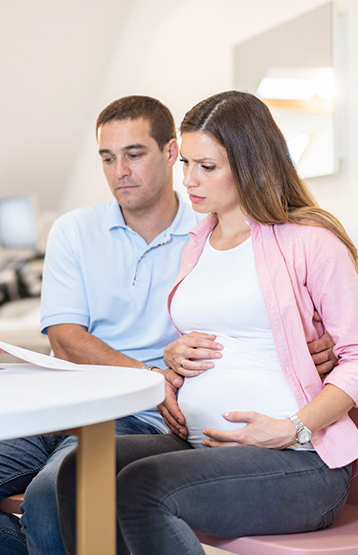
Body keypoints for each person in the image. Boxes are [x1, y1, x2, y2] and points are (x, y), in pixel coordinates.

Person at [0, 95, 336, 554]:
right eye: (107, 158)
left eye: (134, 154)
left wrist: (304, 344)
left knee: (53, 501)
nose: (120, 171)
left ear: (169, 153)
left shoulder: (215, 227)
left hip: (146, 414)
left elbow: (276, 318)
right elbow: (65, 338)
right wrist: (153, 369)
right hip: (67, 397)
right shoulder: (84, 231)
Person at [56, 90, 358, 555]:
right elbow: (225, 336)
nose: (191, 180)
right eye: (187, 165)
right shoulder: (198, 242)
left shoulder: (309, 241)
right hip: (203, 446)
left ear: (251, 162)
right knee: (81, 471)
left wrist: (292, 427)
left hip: (298, 460)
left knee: (142, 488)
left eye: (208, 167)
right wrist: (174, 360)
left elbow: (356, 356)